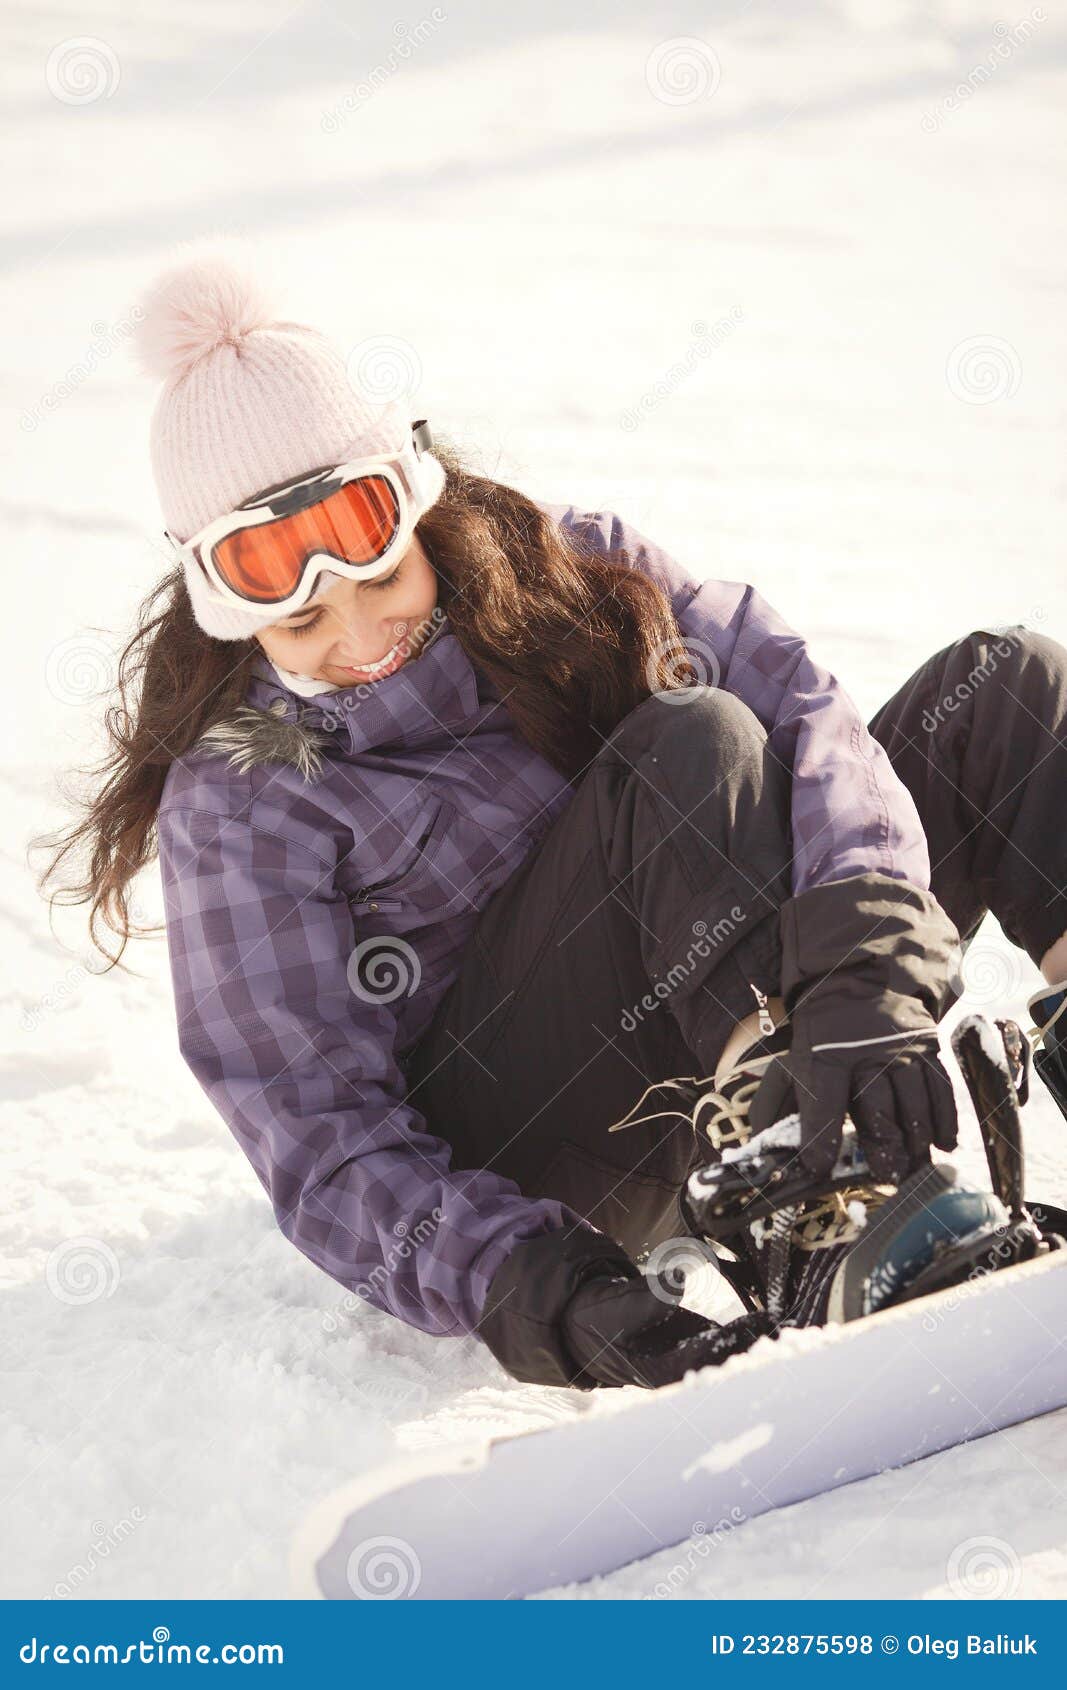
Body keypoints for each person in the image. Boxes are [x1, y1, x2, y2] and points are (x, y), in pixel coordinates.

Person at [35, 247, 1067, 1395]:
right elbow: (316, 1129)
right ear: (227, 611)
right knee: (691, 742)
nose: (357, 632)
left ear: (418, 504)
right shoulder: (240, 799)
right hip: (553, 1144)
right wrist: (525, 1280)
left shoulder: (568, 569)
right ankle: (807, 1209)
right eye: (300, 617)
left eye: (379, 574)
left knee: (1007, 691)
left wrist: (865, 968)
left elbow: (808, 718)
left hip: (756, 998)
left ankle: (808, 1102)